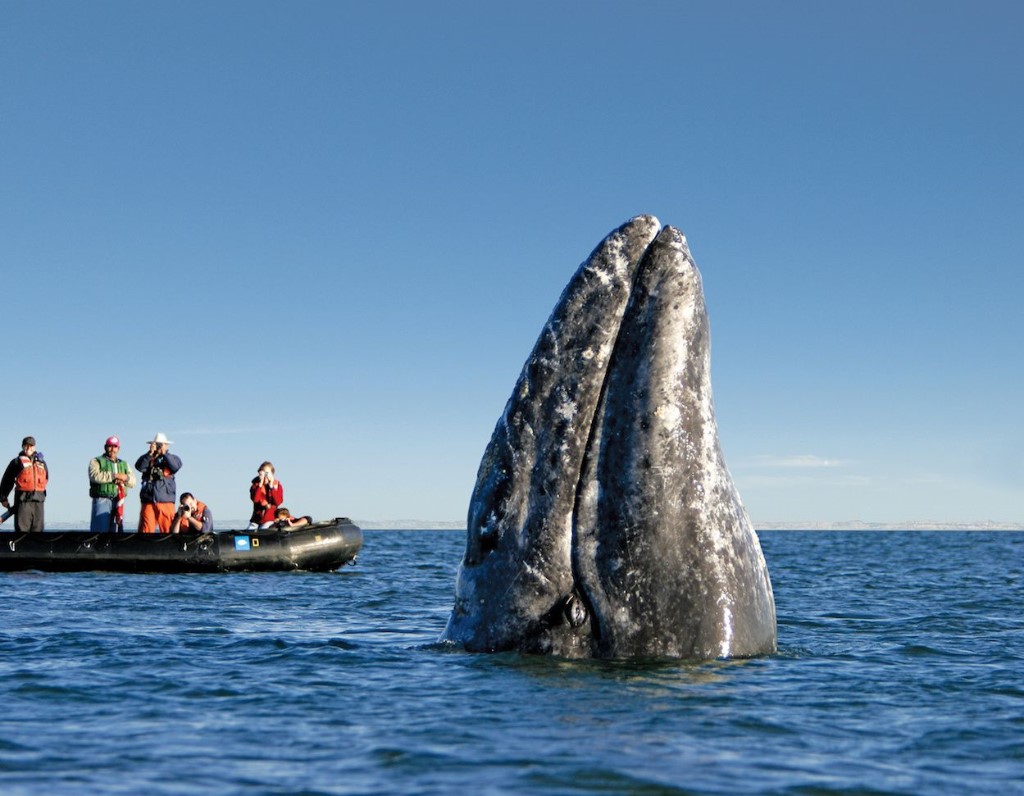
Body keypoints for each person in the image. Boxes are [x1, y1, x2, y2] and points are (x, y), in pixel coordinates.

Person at [134, 433, 182, 533]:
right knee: (146, 531)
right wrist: (149, 454)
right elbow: (139, 467)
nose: (159, 447)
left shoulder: (173, 458)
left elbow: (175, 467)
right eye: (157, 444)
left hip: (166, 501)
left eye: (161, 444)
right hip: (148, 500)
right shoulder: (148, 458)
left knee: (168, 530)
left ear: (166, 445)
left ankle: (169, 548)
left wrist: (165, 454)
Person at [0, 436, 49, 532]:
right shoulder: (17, 462)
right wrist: (3, 498)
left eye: (30, 446)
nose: (28, 448)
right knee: (22, 531)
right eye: (25, 446)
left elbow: (46, 478)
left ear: (34, 447)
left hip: (39, 502)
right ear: (22, 447)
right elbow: (7, 480)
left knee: (38, 532)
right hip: (23, 502)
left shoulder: (42, 463)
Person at [88, 436, 137, 532]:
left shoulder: (124, 464)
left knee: (115, 533)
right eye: (110, 446)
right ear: (105, 447)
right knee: (99, 531)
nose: (112, 449)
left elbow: (133, 481)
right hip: (102, 499)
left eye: (115, 446)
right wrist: (114, 476)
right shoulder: (96, 461)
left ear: (118, 448)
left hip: (118, 501)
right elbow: (94, 476)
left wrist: (125, 477)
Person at [248, 461, 284, 529]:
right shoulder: (255, 486)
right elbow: (255, 499)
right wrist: (260, 484)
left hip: (269, 519)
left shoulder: (277, 486)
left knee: (264, 530)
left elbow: (278, 502)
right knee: (249, 531)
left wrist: (271, 487)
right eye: (263, 473)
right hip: (256, 519)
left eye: (267, 473)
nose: (265, 476)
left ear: (272, 474)